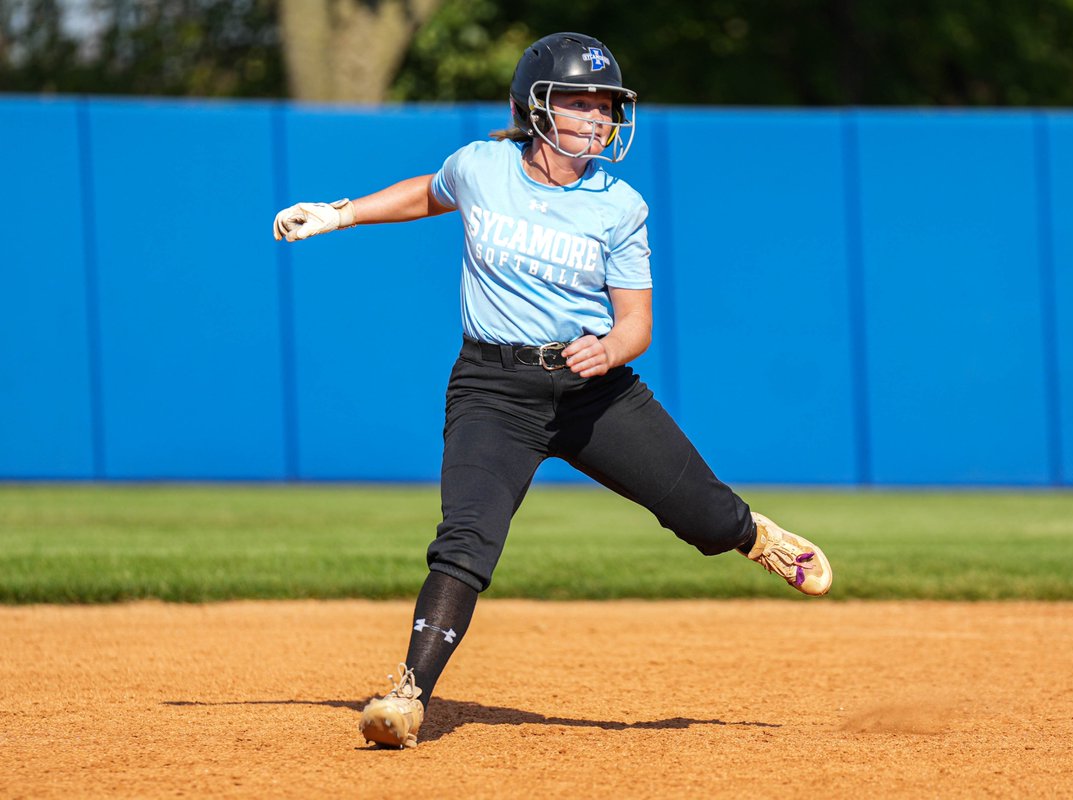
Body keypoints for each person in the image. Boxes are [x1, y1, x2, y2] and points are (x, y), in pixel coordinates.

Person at [272, 31, 833, 750]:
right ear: (534, 107)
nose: (596, 119)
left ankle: (755, 535)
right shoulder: (482, 166)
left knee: (702, 515)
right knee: (466, 540)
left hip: (592, 391)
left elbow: (637, 323)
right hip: (492, 389)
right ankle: (407, 694)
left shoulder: (618, 205)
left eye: (606, 106)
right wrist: (341, 212)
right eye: (578, 102)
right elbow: (428, 193)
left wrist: (609, 351)